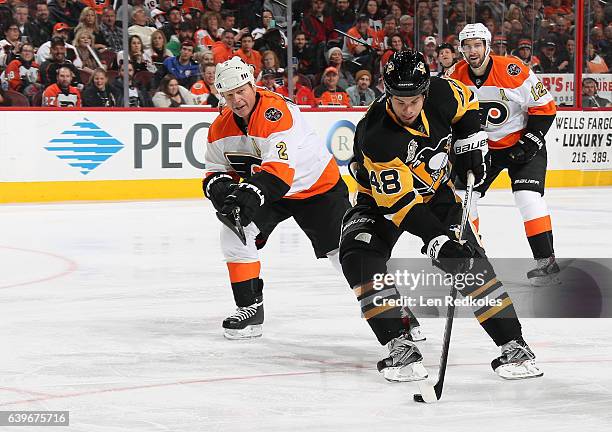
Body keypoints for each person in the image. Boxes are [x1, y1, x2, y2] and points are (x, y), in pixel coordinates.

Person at [340, 50, 542, 382]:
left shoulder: (444, 92)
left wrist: (471, 146)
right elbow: (400, 206)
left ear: (425, 92)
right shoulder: (376, 135)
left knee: (470, 262)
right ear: (387, 93)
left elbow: (469, 107)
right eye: (399, 100)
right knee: (359, 257)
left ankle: (513, 345)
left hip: (435, 192)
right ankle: (399, 344)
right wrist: (437, 241)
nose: (407, 109)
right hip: (379, 201)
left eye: (414, 100)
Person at [203, 56, 349, 339]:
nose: (237, 100)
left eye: (241, 91)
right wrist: (222, 193)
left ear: (252, 85)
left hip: (317, 189)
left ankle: (395, 312)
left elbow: (279, 173)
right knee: (234, 231)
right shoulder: (219, 128)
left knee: (347, 255)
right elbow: (216, 171)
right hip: (272, 192)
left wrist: (244, 196)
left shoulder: (276, 111)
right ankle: (250, 309)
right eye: (229, 95)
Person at [448, 23, 558, 285]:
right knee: (463, 198)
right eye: (467, 46)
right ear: (461, 49)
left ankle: (546, 261)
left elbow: (545, 108)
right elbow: (447, 115)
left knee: (527, 197)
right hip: (482, 148)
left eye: (477, 45)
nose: (472, 51)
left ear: (487, 46)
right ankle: (474, 259)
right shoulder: (454, 75)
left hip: (521, 143)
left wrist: (530, 142)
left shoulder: (513, 70)